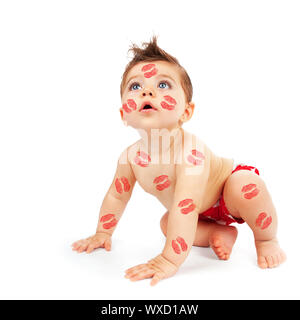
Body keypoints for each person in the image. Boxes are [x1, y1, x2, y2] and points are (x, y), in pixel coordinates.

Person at [71, 36, 286, 286]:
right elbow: (116, 197)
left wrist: (169, 259)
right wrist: (103, 232)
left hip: (228, 195)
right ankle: (217, 231)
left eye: (163, 85)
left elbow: (186, 205)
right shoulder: (130, 158)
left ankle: (266, 239)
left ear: (186, 111)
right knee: (167, 223)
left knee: (246, 185)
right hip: (199, 211)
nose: (147, 91)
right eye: (135, 87)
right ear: (124, 115)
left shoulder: (190, 153)